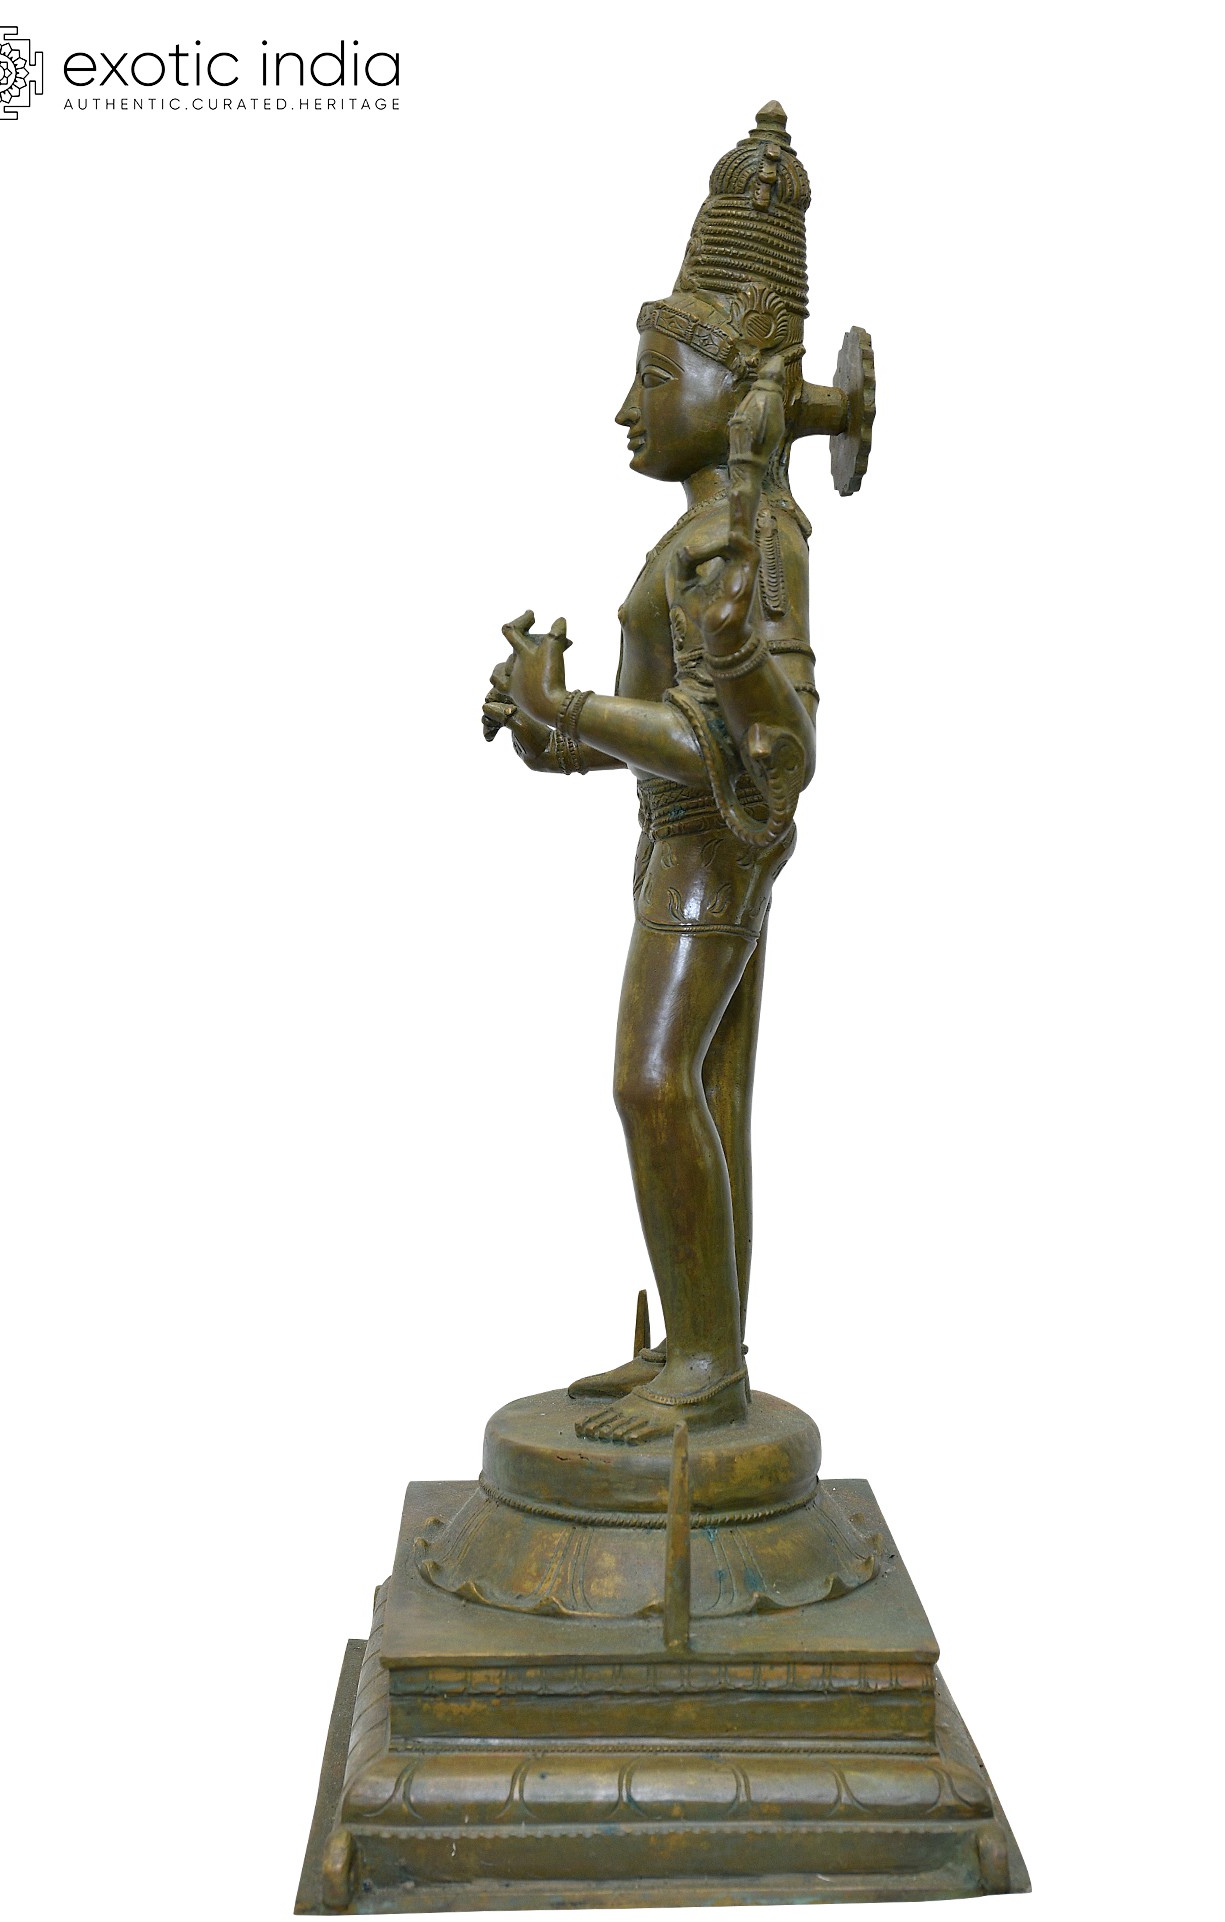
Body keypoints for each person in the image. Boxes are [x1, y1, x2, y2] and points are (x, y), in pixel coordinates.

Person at [481, 106, 819, 1443]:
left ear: (729, 389)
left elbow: (748, 748)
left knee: (654, 1082)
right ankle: (700, 1344)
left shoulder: (749, 539)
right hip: (677, 845)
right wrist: (550, 726)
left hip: (708, 850)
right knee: (707, 1090)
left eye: (651, 376)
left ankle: (707, 1364)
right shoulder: (706, 534)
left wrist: (579, 709)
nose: (628, 406)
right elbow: (662, 726)